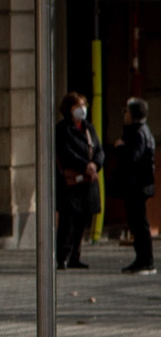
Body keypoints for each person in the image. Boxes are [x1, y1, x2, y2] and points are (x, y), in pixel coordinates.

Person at [55, 92, 107, 270]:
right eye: (77, 106)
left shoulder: (88, 128)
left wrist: (95, 164)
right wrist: (85, 165)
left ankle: (76, 256)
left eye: (83, 105)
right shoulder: (62, 129)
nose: (81, 110)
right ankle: (63, 256)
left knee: (81, 222)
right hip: (71, 183)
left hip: (87, 182)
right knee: (67, 222)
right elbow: (66, 152)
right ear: (69, 109)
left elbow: (99, 149)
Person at [110, 97, 156, 275]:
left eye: (127, 111)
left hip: (136, 185)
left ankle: (145, 261)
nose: (125, 115)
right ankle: (143, 260)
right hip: (140, 184)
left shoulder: (137, 133)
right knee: (138, 223)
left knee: (139, 223)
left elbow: (132, 158)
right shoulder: (143, 131)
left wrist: (120, 147)